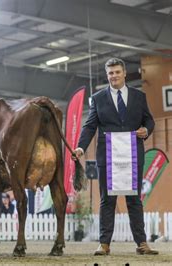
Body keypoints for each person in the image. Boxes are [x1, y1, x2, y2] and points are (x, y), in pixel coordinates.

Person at [73, 58, 158, 256]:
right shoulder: (98, 98)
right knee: (107, 201)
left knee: (134, 200)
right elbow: (90, 126)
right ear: (107, 75)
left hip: (133, 155)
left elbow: (149, 120)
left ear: (124, 73)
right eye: (110, 73)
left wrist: (146, 129)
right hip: (107, 157)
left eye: (117, 72)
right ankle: (104, 244)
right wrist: (80, 148)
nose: (114, 76)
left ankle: (142, 243)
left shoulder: (139, 96)